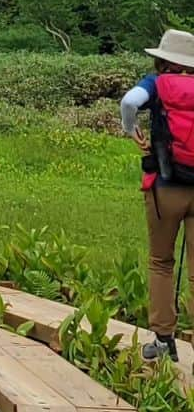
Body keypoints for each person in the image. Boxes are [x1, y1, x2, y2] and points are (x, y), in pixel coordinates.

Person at [120, 27, 194, 363]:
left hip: (165, 187)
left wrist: (130, 130)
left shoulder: (154, 83)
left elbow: (129, 103)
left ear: (163, 59)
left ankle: (164, 341)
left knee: (161, 262)